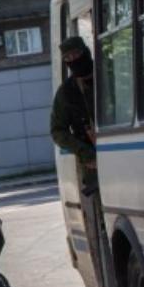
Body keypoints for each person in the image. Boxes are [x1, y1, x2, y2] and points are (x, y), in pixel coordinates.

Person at [51, 36, 97, 194]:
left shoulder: (109, 73)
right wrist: (86, 153)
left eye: (76, 54)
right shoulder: (66, 92)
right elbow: (58, 131)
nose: (73, 60)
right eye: (68, 58)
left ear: (86, 52)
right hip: (94, 165)